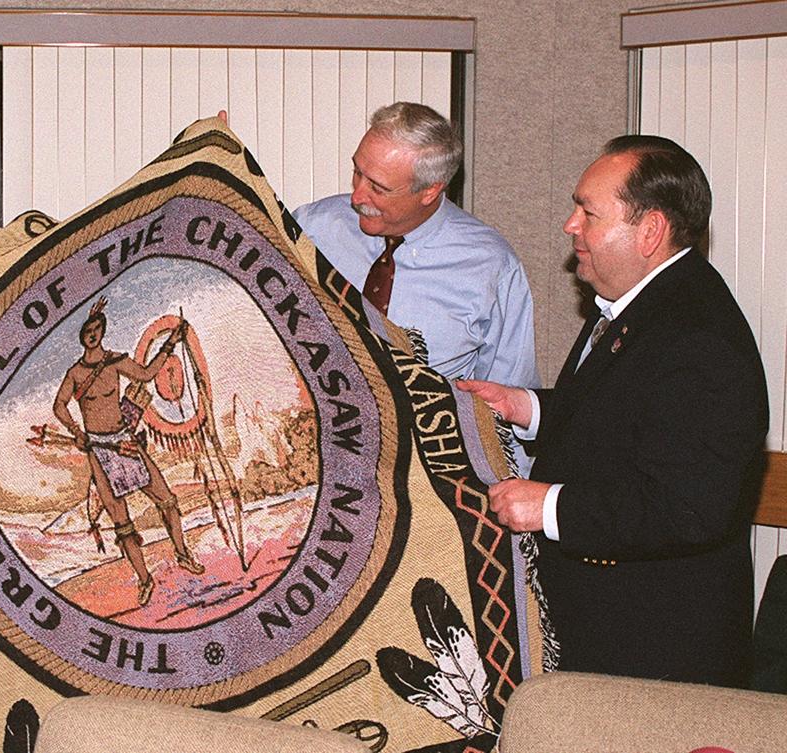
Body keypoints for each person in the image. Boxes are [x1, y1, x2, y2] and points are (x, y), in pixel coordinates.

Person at [460, 135, 768, 687]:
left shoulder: (699, 337)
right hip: (608, 630)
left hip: (651, 651)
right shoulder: (645, 303)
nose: (570, 225)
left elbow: (687, 508)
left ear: (650, 231)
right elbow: (625, 415)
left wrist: (547, 506)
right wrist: (526, 406)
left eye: (589, 212)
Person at [292, 102, 539, 471]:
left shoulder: (491, 267)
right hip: (314, 459)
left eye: (378, 188)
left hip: (424, 474)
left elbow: (507, 404)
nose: (357, 197)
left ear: (430, 191)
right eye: (357, 172)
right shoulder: (312, 228)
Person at [52, 299, 205, 607]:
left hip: (126, 440)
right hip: (99, 451)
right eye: (88, 329)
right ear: (82, 335)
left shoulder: (114, 362)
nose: (92, 334)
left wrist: (169, 345)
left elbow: (146, 374)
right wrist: (77, 433)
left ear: (102, 332)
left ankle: (183, 553)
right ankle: (145, 579)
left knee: (167, 500)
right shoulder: (76, 373)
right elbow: (60, 406)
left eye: (97, 329)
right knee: (122, 523)